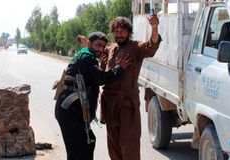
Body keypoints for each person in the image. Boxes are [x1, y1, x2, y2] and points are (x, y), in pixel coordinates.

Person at [79, 14, 161, 160]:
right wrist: (87, 43)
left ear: (129, 32)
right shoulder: (110, 49)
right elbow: (97, 50)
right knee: (114, 145)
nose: (119, 34)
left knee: (129, 145)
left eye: (122, 31)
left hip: (127, 106)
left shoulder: (136, 47)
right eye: (116, 31)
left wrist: (154, 28)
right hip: (110, 105)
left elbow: (151, 46)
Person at [54, 31, 132, 160]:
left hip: (72, 111)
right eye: (98, 45)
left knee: (87, 143)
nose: (100, 49)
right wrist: (119, 68)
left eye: (102, 46)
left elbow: (92, 77)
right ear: (89, 44)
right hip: (70, 112)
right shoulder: (87, 58)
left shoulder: (86, 54)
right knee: (79, 150)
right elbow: (101, 78)